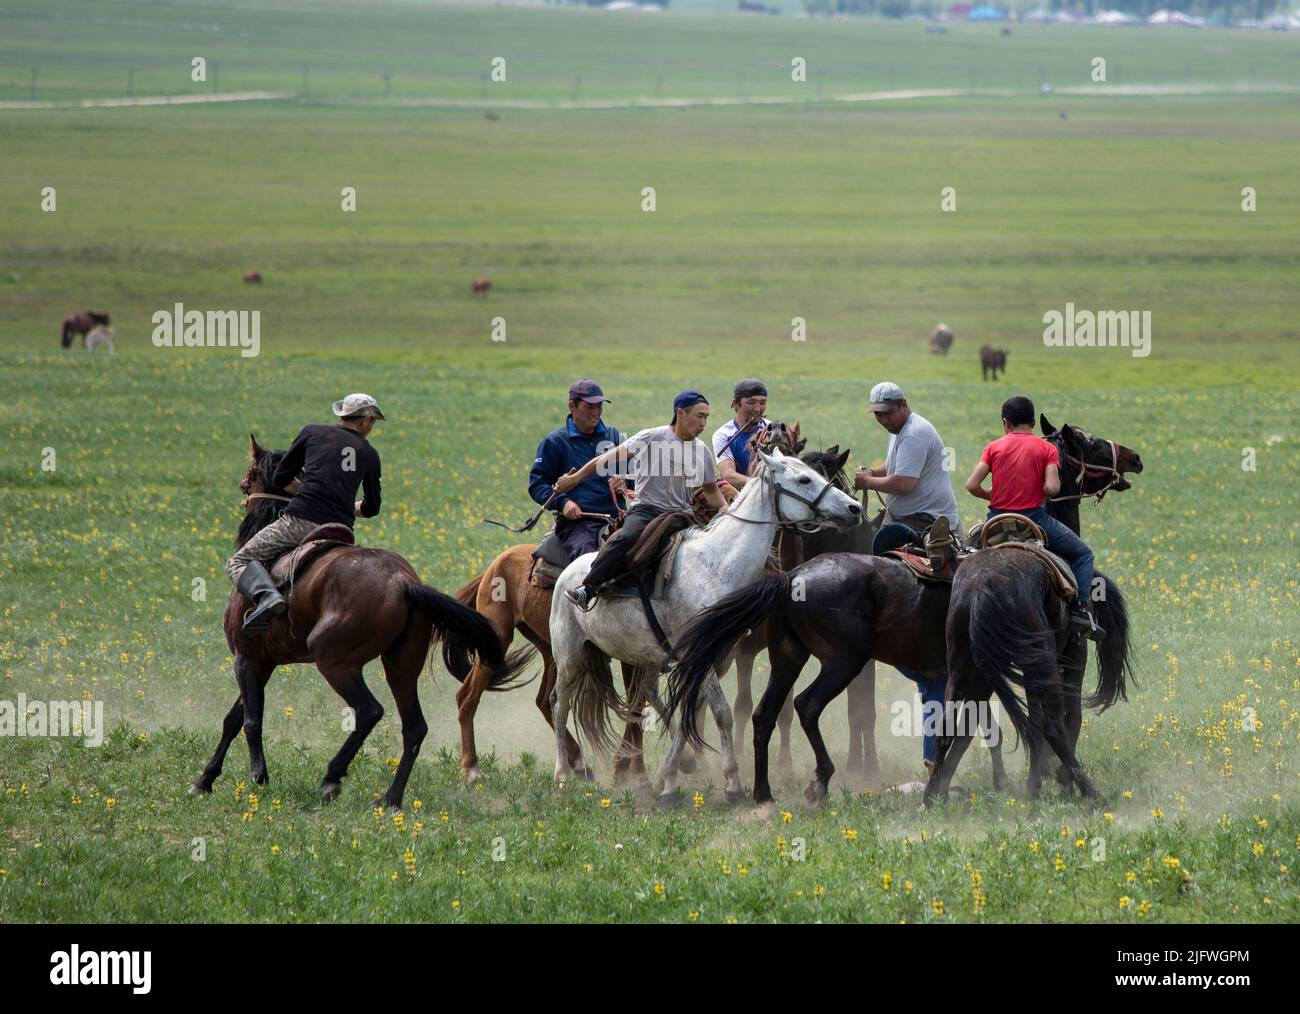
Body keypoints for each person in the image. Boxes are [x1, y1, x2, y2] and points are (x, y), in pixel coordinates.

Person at [225, 393, 384, 634]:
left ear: (343, 415)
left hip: (299, 522)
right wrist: (341, 505)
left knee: (238, 561)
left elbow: (280, 478)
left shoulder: (312, 432)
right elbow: (372, 508)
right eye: (373, 422)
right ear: (365, 420)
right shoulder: (369, 453)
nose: (371, 427)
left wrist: (306, 492)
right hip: (340, 531)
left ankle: (267, 597)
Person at [556, 391, 729, 610]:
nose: (704, 423)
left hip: (682, 515)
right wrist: (574, 479)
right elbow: (604, 460)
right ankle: (589, 588)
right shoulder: (651, 437)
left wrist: (727, 510)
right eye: (699, 416)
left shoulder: (702, 451)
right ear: (680, 413)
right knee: (626, 538)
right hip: (646, 510)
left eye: (706, 417)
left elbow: (711, 491)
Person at [964, 395, 1103, 641]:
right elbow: (1052, 489)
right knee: (1083, 554)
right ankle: (1080, 610)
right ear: (1033, 423)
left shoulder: (994, 447)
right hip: (1034, 520)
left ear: (1006, 423)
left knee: (965, 552)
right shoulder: (1047, 448)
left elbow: (971, 484)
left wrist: (990, 494)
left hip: (995, 522)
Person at [853, 381, 961, 558]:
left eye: (888, 413)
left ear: (903, 405)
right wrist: (872, 472)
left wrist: (868, 481)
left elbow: (903, 483)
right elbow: (893, 464)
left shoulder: (913, 433)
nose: (884, 420)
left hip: (927, 519)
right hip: (908, 516)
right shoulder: (897, 428)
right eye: (878, 415)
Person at [528, 379, 627, 561]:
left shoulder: (614, 437)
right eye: (590, 407)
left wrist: (625, 482)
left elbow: (634, 478)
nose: (596, 413)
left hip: (618, 519)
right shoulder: (555, 442)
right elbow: (537, 484)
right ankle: (582, 590)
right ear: (572, 406)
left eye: (599, 406)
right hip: (579, 524)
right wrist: (563, 503)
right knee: (588, 560)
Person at [712, 378, 769, 493]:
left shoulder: (771, 429)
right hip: (739, 497)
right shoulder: (723, 435)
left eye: (762, 403)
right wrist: (759, 484)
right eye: (751, 403)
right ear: (735, 404)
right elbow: (728, 475)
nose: (758, 409)